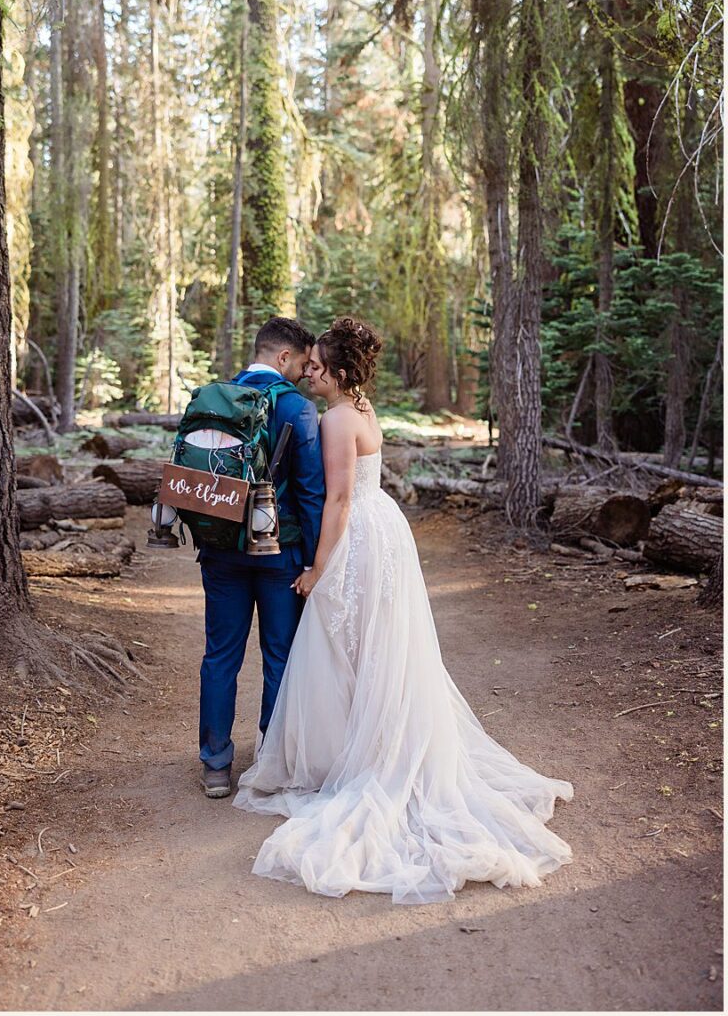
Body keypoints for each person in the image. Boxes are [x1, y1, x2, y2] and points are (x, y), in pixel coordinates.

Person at [233, 317, 573, 904]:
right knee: (373, 643)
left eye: (316, 366)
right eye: (306, 363)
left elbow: (337, 498)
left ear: (338, 373)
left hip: (360, 533)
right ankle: (359, 739)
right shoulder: (363, 408)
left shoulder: (337, 417)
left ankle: (354, 756)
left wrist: (317, 568)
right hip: (384, 526)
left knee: (343, 642)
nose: (308, 373)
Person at [196, 316, 326, 799]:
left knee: (220, 656)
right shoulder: (297, 409)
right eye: (300, 364)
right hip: (280, 552)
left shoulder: (214, 398)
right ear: (283, 357)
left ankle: (215, 765)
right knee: (280, 658)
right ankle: (270, 760)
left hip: (220, 549)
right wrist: (315, 564)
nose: (301, 375)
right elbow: (312, 495)